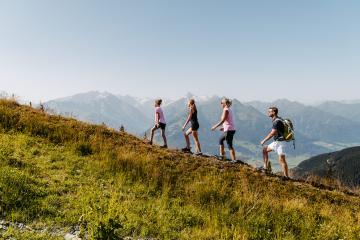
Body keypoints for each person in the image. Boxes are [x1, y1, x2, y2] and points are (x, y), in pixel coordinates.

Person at [260, 106, 289, 178]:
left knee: (282, 159)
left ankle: (286, 176)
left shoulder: (276, 121)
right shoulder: (277, 119)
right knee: (264, 150)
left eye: (269, 111)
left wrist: (264, 140)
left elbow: (272, 133)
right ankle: (265, 168)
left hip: (281, 143)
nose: (268, 113)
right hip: (277, 142)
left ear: (274, 112)